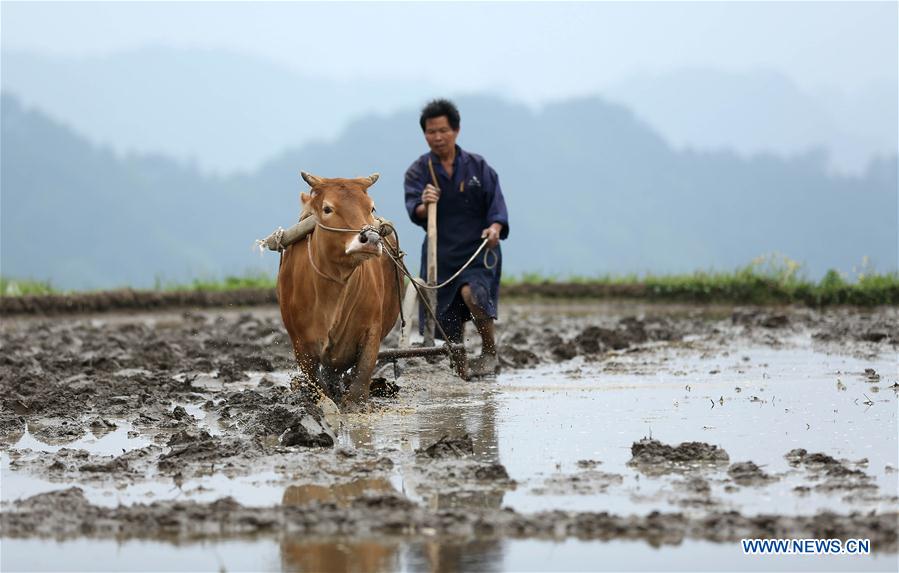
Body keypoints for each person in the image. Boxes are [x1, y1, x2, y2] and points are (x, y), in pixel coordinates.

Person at [404, 99, 509, 376]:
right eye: (431, 132)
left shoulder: (478, 167)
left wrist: (495, 228)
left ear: (456, 131)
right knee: (446, 316)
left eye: (443, 130)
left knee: (473, 294)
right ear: (425, 134)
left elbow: (497, 209)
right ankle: (459, 366)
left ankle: (489, 352)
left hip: (477, 251)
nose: (438, 137)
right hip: (440, 254)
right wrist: (425, 203)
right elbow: (414, 210)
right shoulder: (419, 171)